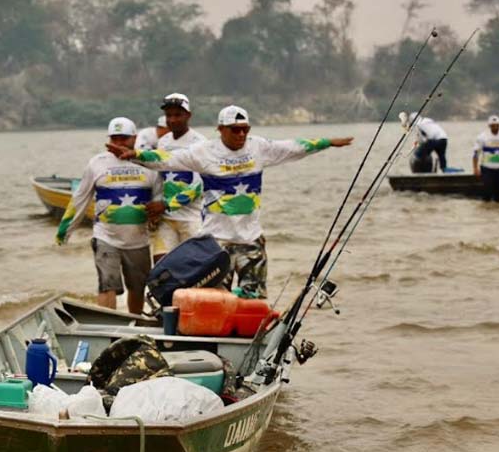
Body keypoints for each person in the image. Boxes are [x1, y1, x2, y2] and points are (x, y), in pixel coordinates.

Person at [108, 105, 353, 299]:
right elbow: (166, 159)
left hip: (251, 241)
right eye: (235, 130)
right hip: (216, 244)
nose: (241, 134)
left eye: (245, 129)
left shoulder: (259, 147)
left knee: (253, 300)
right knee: (214, 299)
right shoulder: (204, 152)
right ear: (220, 129)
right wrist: (137, 155)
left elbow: (295, 147)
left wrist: (327, 142)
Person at [56, 117, 161, 314]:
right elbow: (80, 198)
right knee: (107, 284)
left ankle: (134, 325)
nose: (119, 143)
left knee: (138, 288)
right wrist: (65, 230)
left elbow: (159, 199)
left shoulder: (149, 164)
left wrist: (157, 218)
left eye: (124, 138)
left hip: (138, 240)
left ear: (134, 139)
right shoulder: (97, 163)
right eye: (115, 138)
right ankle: (107, 327)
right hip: (105, 237)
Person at [147, 92, 207, 262]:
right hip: (166, 218)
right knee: (161, 266)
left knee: (194, 267)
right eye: (168, 115)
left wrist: (165, 204)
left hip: (192, 219)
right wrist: (155, 207)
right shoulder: (164, 142)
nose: (172, 120)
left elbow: (199, 186)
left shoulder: (200, 143)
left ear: (188, 115)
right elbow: (159, 178)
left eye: (178, 115)